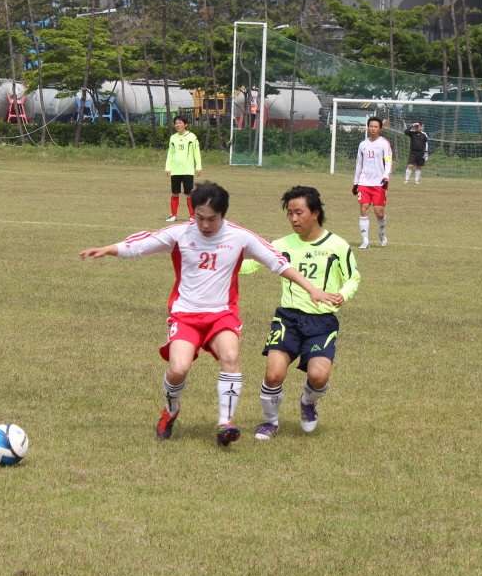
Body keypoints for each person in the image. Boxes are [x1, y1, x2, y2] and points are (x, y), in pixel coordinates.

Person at [78, 181, 334, 446]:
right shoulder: (180, 233)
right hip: (185, 314)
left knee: (231, 356)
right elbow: (141, 245)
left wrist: (312, 289)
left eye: (212, 218)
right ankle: (171, 409)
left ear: (223, 214)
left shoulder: (239, 236)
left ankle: (226, 423)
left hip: (222, 314)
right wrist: (108, 249)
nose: (205, 224)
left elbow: (277, 262)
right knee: (178, 369)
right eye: (200, 217)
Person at [239, 186, 357, 440]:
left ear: (315, 213)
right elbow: (249, 265)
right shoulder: (281, 245)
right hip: (288, 318)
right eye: (290, 214)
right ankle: (270, 422)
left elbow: (353, 278)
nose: (294, 219)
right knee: (273, 374)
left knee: (318, 375)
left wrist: (343, 295)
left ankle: (308, 402)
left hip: (322, 322)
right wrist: (222, 261)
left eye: (299, 213)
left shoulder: (337, 246)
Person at [352, 116, 392, 249]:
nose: (373, 129)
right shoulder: (362, 144)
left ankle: (381, 230)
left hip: (379, 183)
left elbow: (388, 161)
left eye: (376, 126)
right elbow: (359, 164)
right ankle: (365, 240)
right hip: (364, 183)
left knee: (379, 212)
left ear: (380, 128)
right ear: (368, 127)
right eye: (371, 126)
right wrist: (356, 182)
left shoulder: (384, 143)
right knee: (364, 209)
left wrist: (386, 177)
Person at [164, 114, 201, 222]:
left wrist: (198, 166)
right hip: (175, 170)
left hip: (187, 170)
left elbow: (196, 153)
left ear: (185, 124)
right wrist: (168, 167)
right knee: (175, 192)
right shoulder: (173, 138)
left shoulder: (192, 137)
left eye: (180, 123)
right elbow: (170, 154)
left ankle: (192, 216)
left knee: (189, 194)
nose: (178, 125)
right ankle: (174, 215)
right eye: (176, 123)